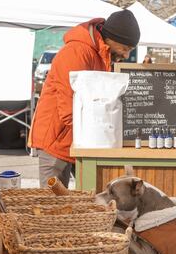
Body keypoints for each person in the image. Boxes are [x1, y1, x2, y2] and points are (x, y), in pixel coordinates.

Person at [28, 10, 141, 188]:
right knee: (52, 207)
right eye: (125, 48)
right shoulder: (77, 52)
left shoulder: (101, 54)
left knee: (86, 200)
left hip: (79, 141)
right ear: (111, 38)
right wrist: (99, 134)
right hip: (57, 140)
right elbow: (68, 108)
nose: (126, 55)